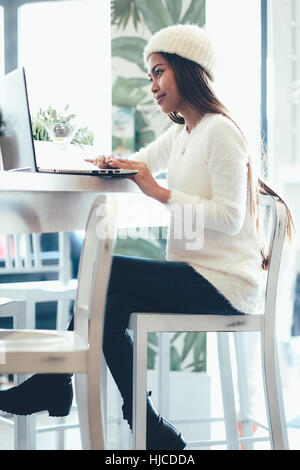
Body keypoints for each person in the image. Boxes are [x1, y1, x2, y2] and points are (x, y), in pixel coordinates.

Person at [0, 24, 295, 450]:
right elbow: (140, 161)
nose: (153, 86)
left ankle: (54, 384)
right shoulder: (184, 132)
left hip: (227, 285)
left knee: (107, 269)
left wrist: (157, 192)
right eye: (150, 76)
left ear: (186, 70)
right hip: (199, 273)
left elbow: (230, 218)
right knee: (110, 304)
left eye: (159, 73)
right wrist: (113, 161)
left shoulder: (221, 131)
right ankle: (149, 426)